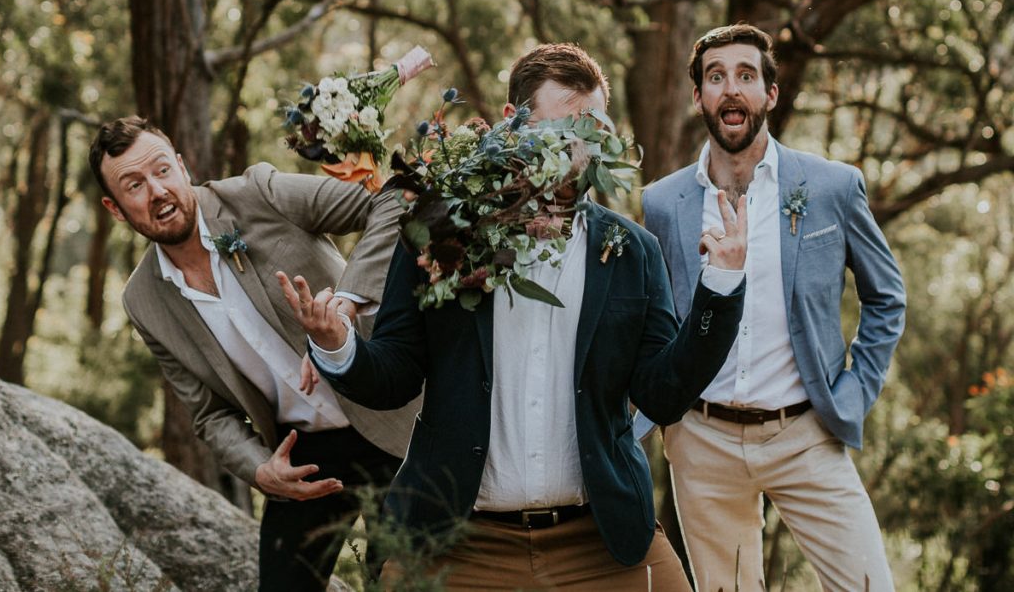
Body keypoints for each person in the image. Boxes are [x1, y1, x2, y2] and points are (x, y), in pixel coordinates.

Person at [280, 43, 748, 590]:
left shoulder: (631, 251)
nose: (576, 151)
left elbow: (663, 394)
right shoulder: (438, 232)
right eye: (559, 132)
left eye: (593, 133)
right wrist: (337, 345)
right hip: (460, 537)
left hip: (600, 538)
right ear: (512, 123)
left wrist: (722, 286)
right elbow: (396, 376)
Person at [89, 116, 421, 592]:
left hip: (390, 414)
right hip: (302, 453)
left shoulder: (256, 193)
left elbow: (393, 198)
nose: (157, 191)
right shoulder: (142, 302)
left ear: (182, 167)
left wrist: (345, 305)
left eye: (162, 171)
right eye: (134, 185)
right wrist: (261, 470)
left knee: (396, 581)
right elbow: (209, 415)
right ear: (115, 208)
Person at [641, 23, 906, 591]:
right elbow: (653, 323)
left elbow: (886, 296)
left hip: (805, 432)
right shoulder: (663, 203)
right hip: (702, 439)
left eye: (745, 75)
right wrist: (657, 416)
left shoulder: (832, 187)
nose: (730, 88)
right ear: (699, 98)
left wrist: (853, 393)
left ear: (770, 95)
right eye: (716, 77)